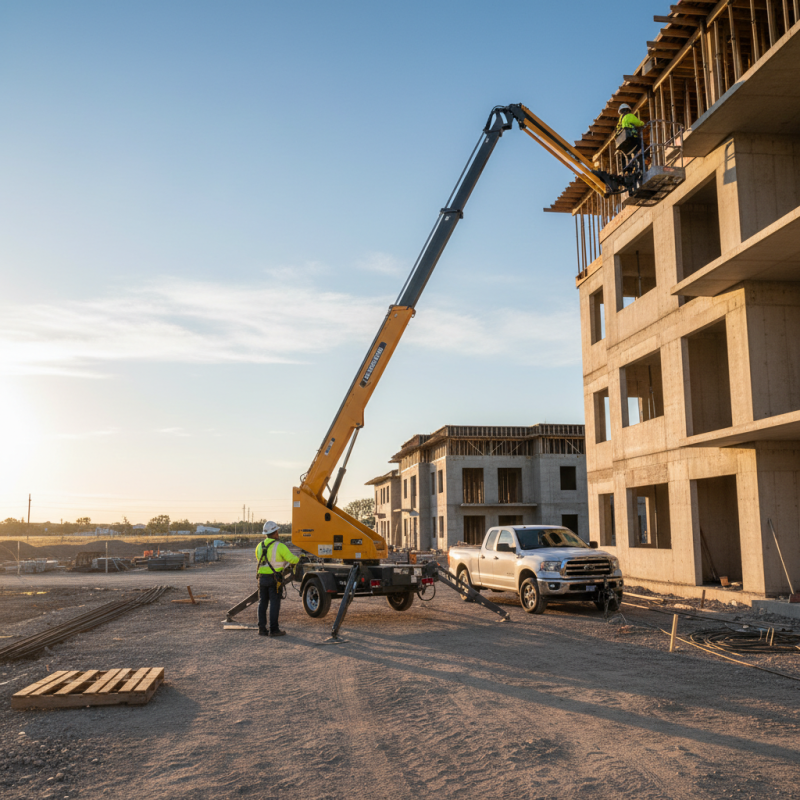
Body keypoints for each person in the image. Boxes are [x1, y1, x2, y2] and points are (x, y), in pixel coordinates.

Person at [256, 521, 300, 637]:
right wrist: (300, 559)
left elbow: (258, 558)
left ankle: (262, 629)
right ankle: (274, 630)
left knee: (262, 603)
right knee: (274, 604)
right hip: (274, 579)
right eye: (277, 531)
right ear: (275, 532)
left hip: (261, 578)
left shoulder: (259, 546)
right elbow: (292, 559)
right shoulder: (279, 546)